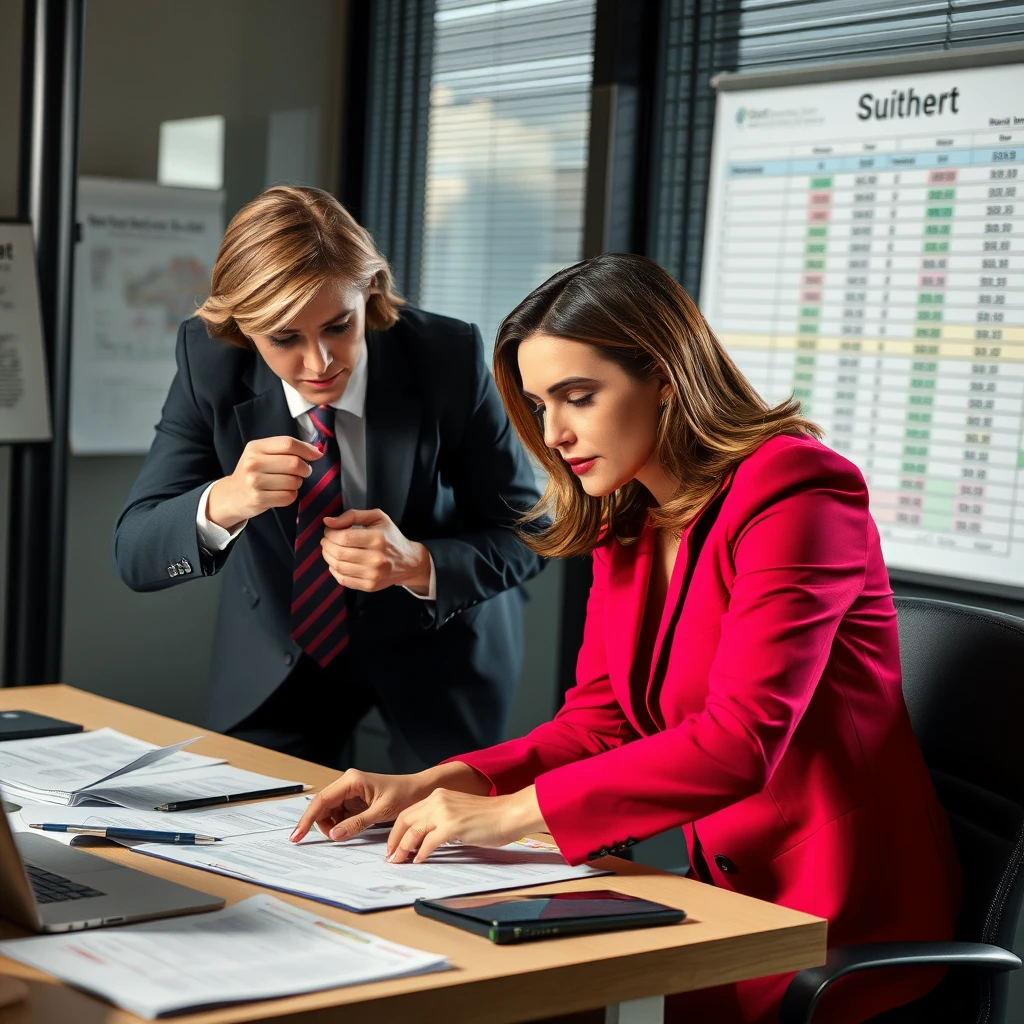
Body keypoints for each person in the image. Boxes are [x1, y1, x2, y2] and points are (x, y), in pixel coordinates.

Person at [290, 252, 962, 1023]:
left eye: (579, 397)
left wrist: (513, 815)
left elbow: (741, 740)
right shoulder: (632, 515)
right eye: (541, 406)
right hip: (721, 908)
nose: (556, 434)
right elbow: (598, 723)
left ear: (667, 377)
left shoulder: (798, 491)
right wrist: (442, 782)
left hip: (837, 933)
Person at [113, 185, 544, 770]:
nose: (320, 363)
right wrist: (226, 500)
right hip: (277, 664)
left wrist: (418, 563)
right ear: (242, 324)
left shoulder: (448, 355)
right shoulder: (208, 361)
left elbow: (529, 533)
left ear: (370, 290)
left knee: (444, 849)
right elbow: (134, 552)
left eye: (340, 326)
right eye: (285, 338)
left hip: (439, 655)